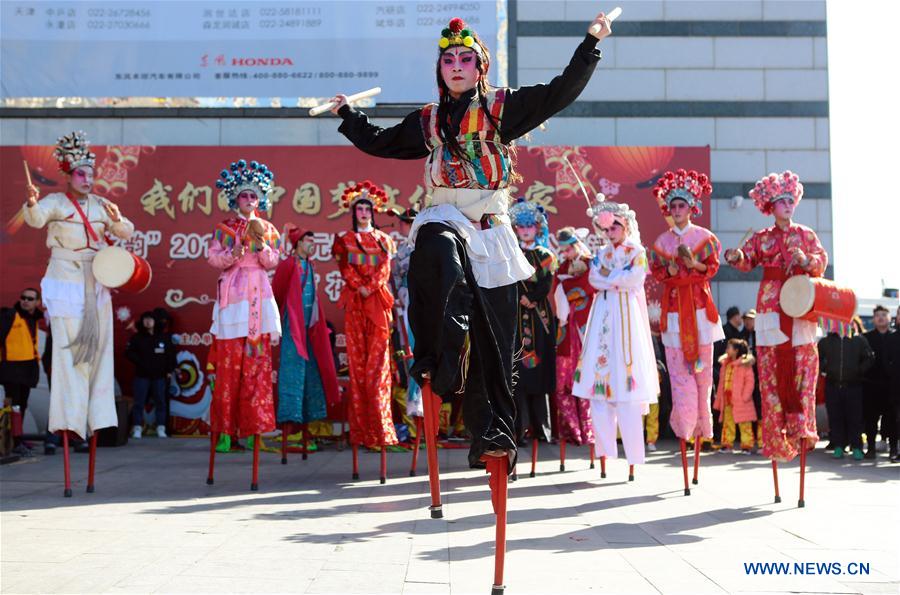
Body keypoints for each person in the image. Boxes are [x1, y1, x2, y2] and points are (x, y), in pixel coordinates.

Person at [331, 12, 613, 477]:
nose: (457, 67)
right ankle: (438, 360)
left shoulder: (502, 108)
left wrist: (590, 44)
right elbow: (383, 142)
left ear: (480, 67)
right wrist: (349, 115)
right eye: (449, 60)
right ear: (440, 69)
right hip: (447, 217)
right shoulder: (429, 121)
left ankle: (493, 434)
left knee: (497, 344)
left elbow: (559, 92)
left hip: (491, 229)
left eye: (466, 59)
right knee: (437, 252)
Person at [23, 131, 135, 495]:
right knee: (69, 357)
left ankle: (96, 417)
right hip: (66, 281)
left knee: (99, 357)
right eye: (81, 173)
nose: (88, 179)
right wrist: (31, 203)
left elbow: (126, 232)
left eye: (90, 173)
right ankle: (69, 420)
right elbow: (37, 219)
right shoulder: (56, 201)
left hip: (95, 282)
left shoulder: (102, 205)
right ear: (69, 175)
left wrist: (118, 219)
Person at [725, 170, 827, 504]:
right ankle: (776, 439)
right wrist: (736, 257)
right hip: (771, 309)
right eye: (780, 201)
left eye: (789, 200)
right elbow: (747, 260)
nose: (786, 205)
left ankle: (801, 429)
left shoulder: (806, 234)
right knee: (769, 379)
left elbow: (821, 262)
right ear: (771, 207)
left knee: (804, 372)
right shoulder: (762, 237)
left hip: (799, 306)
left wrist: (806, 260)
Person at [207, 159, 281, 489]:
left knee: (257, 366)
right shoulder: (224, 228)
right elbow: (213, 258)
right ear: (234, 198)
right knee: (228, 368)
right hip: (233, 296)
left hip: (258, 297)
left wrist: (261, 245)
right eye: (244, 196)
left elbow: (273, 261)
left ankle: (254, 429)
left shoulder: (268, 228)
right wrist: (235, 251)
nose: (249, 200)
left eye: (254, 196)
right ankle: (225, 431)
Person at [573, 200, 659, 476]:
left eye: (615, 227)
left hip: (626, 315)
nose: (610, 232)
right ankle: (605, 454)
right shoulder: (602, 253)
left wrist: (611, 277)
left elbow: (635, 278)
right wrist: (616, 277)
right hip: (604, 312)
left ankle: (634, 458)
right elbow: (594, 280)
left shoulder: (637, 251)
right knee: (599, 392)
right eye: (607, 228)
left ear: (626, 226)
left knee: (628, 392)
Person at [647, 169, 723, 471]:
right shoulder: (662, 241)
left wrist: (694, 264)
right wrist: (672, 271)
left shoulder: (705, 237)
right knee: (679, 378)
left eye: (682, 205)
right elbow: (658, 271)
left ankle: (702, 426)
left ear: (692, 207)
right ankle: (684, 425)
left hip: (701, 313)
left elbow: (712, 267)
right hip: (675, 313)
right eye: (673, 205)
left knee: (703, 376)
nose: (677, 210)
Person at [331, 181, 397, 479]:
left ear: (374, 211)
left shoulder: (384, 240)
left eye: (367, 208)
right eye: (359, 208)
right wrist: (359, 286)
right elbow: (345, 269)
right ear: (353, 211)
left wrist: (370, 287)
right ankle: (360, 431)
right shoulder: (343, 240)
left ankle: (381, 431)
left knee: (377, 371)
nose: (363, 212)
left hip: (377, 305)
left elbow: (385, 269)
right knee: (357, 370)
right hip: (356, 305)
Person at [272, 226, 339, 459]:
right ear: (298, 243)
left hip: (310, 328)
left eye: (313, 240)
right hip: (293, 327)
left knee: (312, 372)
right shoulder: (287, 265)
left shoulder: (310, 265)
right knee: (292, 372)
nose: (312, 244)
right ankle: (289, 426)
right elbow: (277, 293)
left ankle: (307, 428)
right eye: (309, 240)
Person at [509, 199, 557, 453]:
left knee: (539, 371)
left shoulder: (546, 255)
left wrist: (533, 298)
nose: (526, 230)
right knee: (518, 374)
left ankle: (542, 428)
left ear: (538, 228)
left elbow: (546, 284)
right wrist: (520, 297)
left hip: (538, 318)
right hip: (516, 315)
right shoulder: (510, 253)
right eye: (521, 226)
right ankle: (520, 429)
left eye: (530, 226)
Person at [552, 227, 596, 451]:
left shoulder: (592, 264)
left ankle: (590, 430)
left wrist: (568, 286)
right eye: (563, 249)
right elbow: (557, 293)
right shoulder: (561, 268)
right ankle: (572, 429)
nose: (566, 253)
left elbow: (591, 285)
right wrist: (569, 287)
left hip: (587, 327)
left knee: (589, 381)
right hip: (567, 330)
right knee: (563, 382)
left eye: (569, 248)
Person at [819, 318, 874, 460]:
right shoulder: (826, 342)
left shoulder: (859, 340)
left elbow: (869, 358)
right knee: (835, 417)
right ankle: (838, 446)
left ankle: (856, 447)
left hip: (853, 386)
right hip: (832, 385)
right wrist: (824, 369)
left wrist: (859, 371)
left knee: (855, 418)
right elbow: (817, 358)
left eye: (848, 322)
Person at [1, 288, 44, 454]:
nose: (25, 301)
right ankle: (14, 441)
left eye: (30, 299)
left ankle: (16, 438)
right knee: (15, 405)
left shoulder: (34, 319)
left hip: (27, 367)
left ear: (37, 302)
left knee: (22, 404)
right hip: (11, 368)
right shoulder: (10, 315)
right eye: (23, 297)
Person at [125, 311, 175, 439]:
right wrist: (141, 362)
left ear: (155, 321)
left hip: (159, 376)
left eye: (150, 319)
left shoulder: (163, 337)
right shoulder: (137, 338)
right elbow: (129, 353)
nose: (147, 322)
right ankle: (137, 428)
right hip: (142, 375)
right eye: (145, 319)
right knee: (139, 402)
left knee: (161, 402)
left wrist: (169, 370)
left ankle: (161, 428)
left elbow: (170, 355)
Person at [862, 305, 896, 459]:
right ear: (873, 319)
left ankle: (893, 448)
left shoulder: (895, 337)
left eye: (883, 314)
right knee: (871, 418)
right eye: (877, 315)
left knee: (892, 418)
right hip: (871, 384)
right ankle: (871, 448)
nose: (881, 317)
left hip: (891, 385)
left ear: (889, 318)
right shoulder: (865, 338)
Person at [713, 338, 757, 454]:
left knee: (744, 423)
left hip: (741, 400)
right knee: (728, 422)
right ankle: (727, 444)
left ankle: (747, 445)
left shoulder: (744, 364)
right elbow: (722, 382)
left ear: (736, 350)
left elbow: (750, 381)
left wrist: (745, 396)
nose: (726, 350)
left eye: (729, 347)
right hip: (728, 398)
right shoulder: (726, 364)